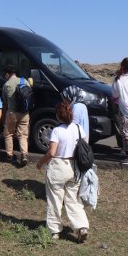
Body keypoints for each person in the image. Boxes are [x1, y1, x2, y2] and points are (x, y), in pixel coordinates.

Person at [36, 102, 89, 243]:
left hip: (58, 166)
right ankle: (82, 226)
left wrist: (40, 163)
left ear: (58, 115)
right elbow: (85, 144)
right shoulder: (78, 128)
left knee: (55, 200)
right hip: (74, 167)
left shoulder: (57, 131)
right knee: (73, 200)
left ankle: (54, 231)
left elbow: (51, 152)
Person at [2, 65, 31, 165]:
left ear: (7, 74)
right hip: (24, 112)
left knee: (8, 134)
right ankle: (24, 155)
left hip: (12, 112)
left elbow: (5, 102)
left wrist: (3, 116)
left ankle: (9, 155)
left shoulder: (6, 85)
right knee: (23, 135)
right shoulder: (25, 81)